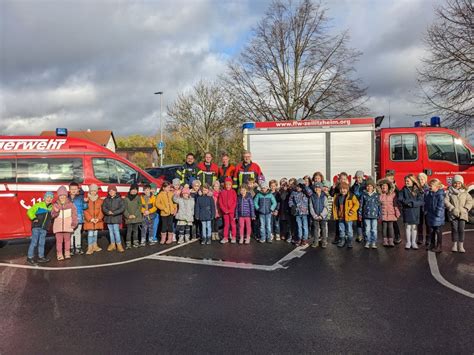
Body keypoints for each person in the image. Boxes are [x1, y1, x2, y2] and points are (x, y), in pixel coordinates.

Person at [445, 175, 472, 253]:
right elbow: (446, 201)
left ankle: (461, 246)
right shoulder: (449, 192)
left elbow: (470, 201)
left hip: (463, 214)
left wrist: (466, 208)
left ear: (462, 184)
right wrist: (452, 208)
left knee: (461, 230)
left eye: (459, 183)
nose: (457, 185)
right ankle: (454, 245)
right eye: (455, 183)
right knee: (454, 229)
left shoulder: (465, 193)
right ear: (453, 183)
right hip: (453, 214)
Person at [26, 191, 54, 265]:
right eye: (47, 197)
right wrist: (34, 218)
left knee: (42, 243)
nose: (49, 199)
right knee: (34, 242)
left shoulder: (51, 207)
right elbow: (29, 211)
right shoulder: (39, 205)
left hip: (44, 228)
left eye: (51, 198)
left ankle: (40, 257)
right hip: (36, 227)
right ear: (44, 198)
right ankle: (30, 257)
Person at [397, 174, 424, 250]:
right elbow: (400, 199)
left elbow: (421, 201)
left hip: (415, 210)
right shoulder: (403, 189)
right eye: (405, 181)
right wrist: (407, 203)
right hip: (407, 210)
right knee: (408, 227)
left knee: (414, 227)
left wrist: (413, 203)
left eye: (408, 181)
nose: (406, 182)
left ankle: (414, 242)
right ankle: (408, 242)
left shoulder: (417, 189)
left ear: (412, 181)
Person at [51, 186, 78, 260]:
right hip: (58, 227)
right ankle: (59, 253)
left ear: (66, 196)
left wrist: (74, 223)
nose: (62, 197)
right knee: (59, 242)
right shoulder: (55, 205)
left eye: (64, 195)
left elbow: (74, 215)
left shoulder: (71, 205)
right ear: (58, 196)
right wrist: (56, 211)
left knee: (67, 241)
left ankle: (67, 252)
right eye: (60, 195)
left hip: (68, 226)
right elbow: (52, 215)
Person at [333, 182, 359, 249]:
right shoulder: (337, 196)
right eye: (341, 189)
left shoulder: (351, 196)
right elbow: (335, 207)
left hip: (349, 217)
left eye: (344, 189)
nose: (343, 190)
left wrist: (352, 211)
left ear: (347, 189)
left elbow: (357, 204)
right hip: (340, 217)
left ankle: (349, 242)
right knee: (341, 230)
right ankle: (342, 241)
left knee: (349, 230)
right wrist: (335, 215)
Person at [377, 179, 400, 247]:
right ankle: (385, 241)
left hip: (391, 214)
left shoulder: (392, 195)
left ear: (388, 187)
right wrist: (378, 214)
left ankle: (391, 240)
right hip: (383, 214)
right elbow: (378, 205)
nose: (384, 187)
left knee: (390, 227)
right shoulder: (380, 196)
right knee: (384, 228)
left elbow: (395, 204)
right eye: (382, 186)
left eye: (385, 186)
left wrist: (397, 212)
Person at [358, 179, 380, 249]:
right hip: (366, 215)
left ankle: (373, 242)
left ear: (373, 187)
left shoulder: (376, 195)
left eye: (371, 186)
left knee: (374, 229)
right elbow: (361, 205)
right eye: (368, 186)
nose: (369, 187)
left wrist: (380, 214)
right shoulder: (363, 195)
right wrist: (360, 214)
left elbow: (379, 205)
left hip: (374, 215)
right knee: (367, 229)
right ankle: (367, 241)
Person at [102, 185, 125, 252]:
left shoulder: (119, 199)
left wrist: (114, 212)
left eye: (113, 190)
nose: (111, 192)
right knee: (111, 232)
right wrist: (107, 212)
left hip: (116, 218)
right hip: (109, 218)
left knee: (116, 231)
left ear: (115, 191)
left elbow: (122, 208)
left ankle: (119, 244)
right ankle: (112, 244)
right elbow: (104, 207)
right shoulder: (106, 199)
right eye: (110, 191)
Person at [425, 179, 446, 253]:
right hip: (430, 215)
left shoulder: (440, 195)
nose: (429, 187)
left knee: (438, 231)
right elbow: (426, 203)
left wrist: (437, 214)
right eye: (429, 185)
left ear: (437, 186)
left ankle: (439, 246)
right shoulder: (429, 194)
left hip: (437, 217)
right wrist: (426, 211)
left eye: (431, 185)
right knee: (431, 231)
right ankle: (432, 244)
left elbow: (440, 206)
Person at [83, 184, 104, 255]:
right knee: (90, 233)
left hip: (97, 220)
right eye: (91, 191)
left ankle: (95, 245)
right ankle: (90, 247)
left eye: (95, 191)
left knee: (95, 233)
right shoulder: (86, 200)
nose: (93, 192)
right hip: (90, 221)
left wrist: (98, 218)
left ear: (97, 191)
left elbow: (102, 211)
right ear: (89, 191)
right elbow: (85, 211)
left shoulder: (100, 200)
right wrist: (91, 219)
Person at [69, 182, 88, 256]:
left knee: (77, 233)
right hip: (70, 219)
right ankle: (71, 248)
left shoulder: (80, 197)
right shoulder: (67, 198)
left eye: (75, 189)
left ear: (78, 190)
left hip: (79, 218)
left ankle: (78, 247)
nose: (73, 190)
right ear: (69, 190)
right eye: (72, 189)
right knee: (70, 233)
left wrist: (86, 202)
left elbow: (84, 207)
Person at [288, 179, 310, 245]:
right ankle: (299, 238)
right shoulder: (293, 192)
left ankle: (304, 238)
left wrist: (304, 187)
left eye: (300, 186)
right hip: (297, 212)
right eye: (297, 186)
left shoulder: (305, 192)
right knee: (298, 226)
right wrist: (292, 206)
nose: (298, 188)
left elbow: (310, 193)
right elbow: (290, 200)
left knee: (305, 226)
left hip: (304, 212)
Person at [308, 182, 329, 248]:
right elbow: (311, 207)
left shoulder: (324, 196)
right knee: (316, 229)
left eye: (319, 187)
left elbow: (326, 207)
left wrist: (322, 215)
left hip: (323, 216)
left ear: (321, 188)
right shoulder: (312, 197)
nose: (317, 189)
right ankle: (316, 241)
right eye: (316, 187)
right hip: (315, 216)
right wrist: (314, 215)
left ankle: (324, 242)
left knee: (323, 229)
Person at [124, 183, 143, 249]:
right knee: (129, 231)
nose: (134, 191)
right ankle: (128, 243)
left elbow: (139, 207)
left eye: (136, 190)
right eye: (133, 189)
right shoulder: (126, 198)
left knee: (135, 230)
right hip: (129, 218)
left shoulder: (138, 198)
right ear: (130, 190)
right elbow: (124, 208)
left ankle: (135, 242)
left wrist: (135, 215)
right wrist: (128, 215)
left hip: (136, 217)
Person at [218, 177, 237, 244]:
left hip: (231, 212)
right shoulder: (222, 192)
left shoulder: (233, 192)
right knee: (226, 224)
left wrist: (231, 210)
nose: (228, 186)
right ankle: (225, 237)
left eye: (229, 184)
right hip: (225, 212)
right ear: (225, 185)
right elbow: (220, 202)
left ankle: (233, 237)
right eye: (227, 184)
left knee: (233, 224)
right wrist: (224, 210)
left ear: (231, 185)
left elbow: (235, 202)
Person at [385, 172, 402, 244]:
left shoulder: (395, 187)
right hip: (386, 207)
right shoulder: (385, 186)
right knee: (386, 223)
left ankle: (397, 236)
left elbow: (398, 196)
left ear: (392, 180)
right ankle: (389, 237)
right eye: (386, 179)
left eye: (389, 180)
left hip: (393, 207)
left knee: (394, 222)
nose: (387, 181)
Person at [351, 170, 367, 243]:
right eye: (357, 178)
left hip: (364, 205)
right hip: (357, 205)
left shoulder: (365, 185)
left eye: (360, 178)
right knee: (358, 221)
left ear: (362, 177)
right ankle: (359, 235)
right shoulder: (354, 185)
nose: (359, 179)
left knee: (365, 221)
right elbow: (352, 193)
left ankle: (366, 235)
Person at [417, 173, 430, 245]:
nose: (420, 181)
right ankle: (420, 238)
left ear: (425, 180)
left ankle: (428, 239)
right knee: (419, 224)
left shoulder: (428, 188)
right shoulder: (416, 188)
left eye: (422, 179)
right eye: (419, 179)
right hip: (419, 209)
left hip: (426, 208)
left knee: (428, 224)